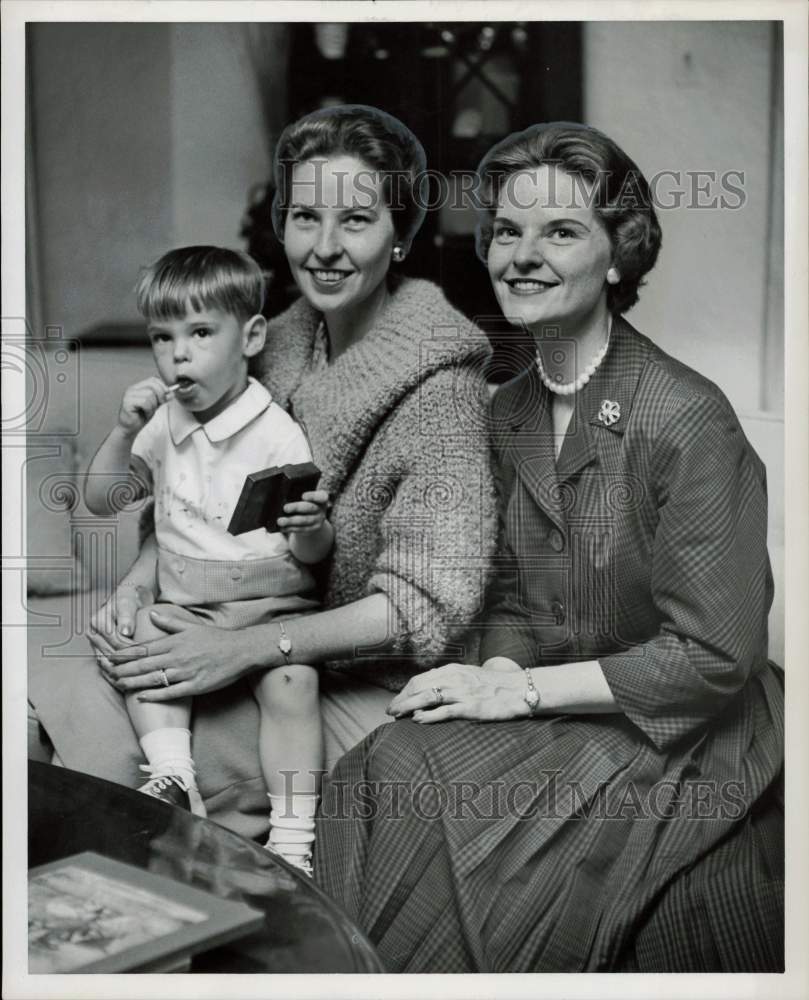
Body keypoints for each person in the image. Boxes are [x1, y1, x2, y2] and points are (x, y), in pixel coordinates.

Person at [314, 122, 785, 972]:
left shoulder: (685, 419)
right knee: (386, 762)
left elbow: (716, 653)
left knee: (506, 856)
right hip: (554, 702)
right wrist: (497, 673)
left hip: (676, 728)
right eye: (505, 232)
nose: (521, 256)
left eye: (560, 231)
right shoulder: (503, 410)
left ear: (616, 257)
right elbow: (506, 592)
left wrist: (521, 693)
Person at [27, 105, 498, 843]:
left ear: (401, 237)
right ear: (280, 226)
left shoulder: (441, 387)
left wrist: (242, 649)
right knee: (51, 689)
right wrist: (138, 581)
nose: (326, 247)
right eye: (305, 216)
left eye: (357, 220)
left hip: (352, 678)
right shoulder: (267, 345)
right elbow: (191, 502)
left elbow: (423, 606)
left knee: (96, 753)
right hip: (238, 629)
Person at [82, 246, 331, 872]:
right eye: (162, 338)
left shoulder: (274, 428)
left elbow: (314, 554)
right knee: (142, 643)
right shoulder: (163, 422)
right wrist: (119, 432)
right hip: (187, 600)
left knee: (294, 683)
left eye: (199, 333)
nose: (179, 354)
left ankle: (296, 840)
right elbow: (102, 498)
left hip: (268, 602)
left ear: (250, 337)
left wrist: (313, 528)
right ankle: (173, 775)